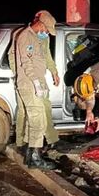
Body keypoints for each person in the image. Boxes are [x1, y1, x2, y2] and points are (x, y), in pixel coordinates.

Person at [9, 16, 62, 154]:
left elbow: (46, 55)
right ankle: (23, 144)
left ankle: (47, 142)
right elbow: (17, 58)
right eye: (46, 28)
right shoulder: (22, 35)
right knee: (26, 112)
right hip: (27, 79)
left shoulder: (43, 37)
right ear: (38, 21)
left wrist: (54, 71)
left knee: (42, 111)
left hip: (38, 77)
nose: (46, 32)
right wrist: (19, 75)